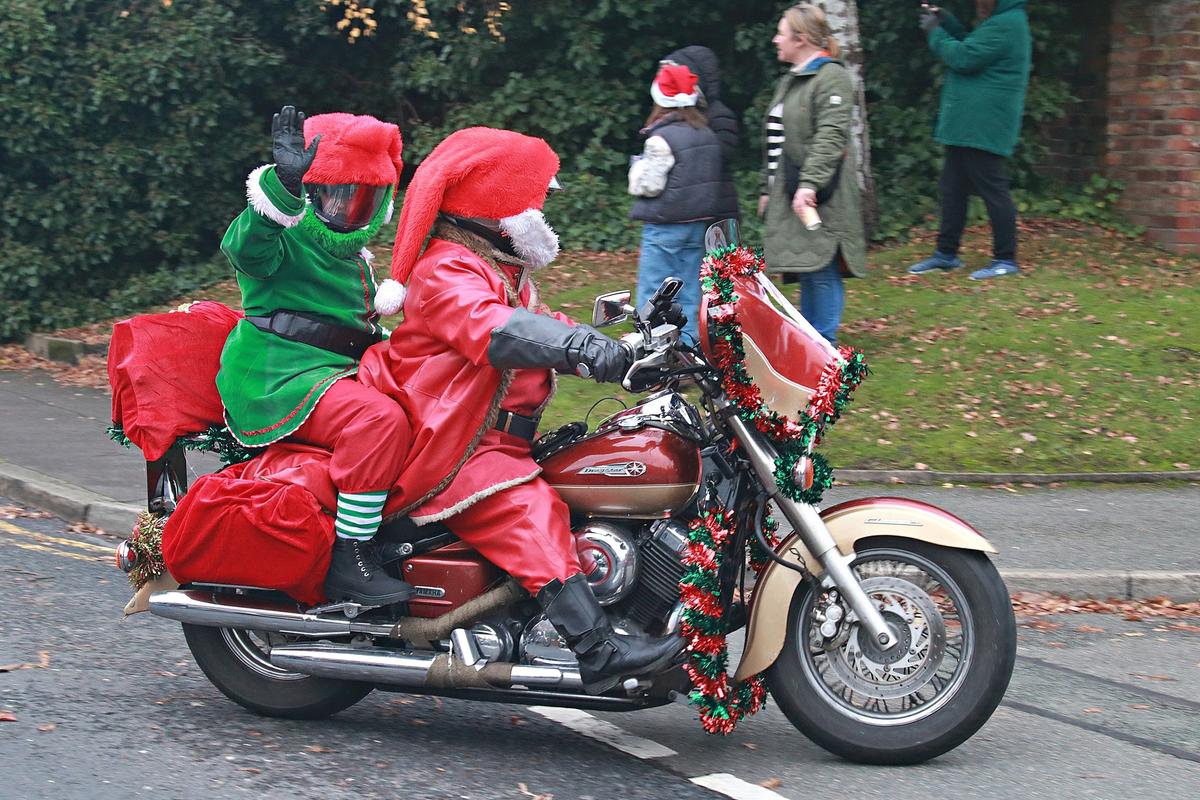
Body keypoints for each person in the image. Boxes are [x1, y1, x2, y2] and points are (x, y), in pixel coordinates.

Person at [360, 127, 682, 694]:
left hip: (491, 437)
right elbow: (494, 329)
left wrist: (626, 350)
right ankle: (596, 648)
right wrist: (584, 348)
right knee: (525, 507)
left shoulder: (496, 268)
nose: (544, 207)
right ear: (493, 204)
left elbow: (545, 328)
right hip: (452, 445)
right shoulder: (446, 270)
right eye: (534, 198)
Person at [216, 106, 415, 606]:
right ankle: (353, 555)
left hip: (335, 371)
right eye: (335, 195)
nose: (348, 212)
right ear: (310, 192)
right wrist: (280, 190)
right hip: (278, 374)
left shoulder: (357, 260)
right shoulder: (285, 236)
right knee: (379, 421)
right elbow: (245, 248)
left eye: (364, 200)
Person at [759, 4, 867, 347]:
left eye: (781, 33)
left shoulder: (831, 76)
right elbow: (777, 141)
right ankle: (813, 341)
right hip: (791, 190)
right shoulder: (793, 79)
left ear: (801, 39)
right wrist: (768, 188)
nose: (776, 39)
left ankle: (824, 343)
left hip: (822, 193)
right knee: (807, 266)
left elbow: (831, 136)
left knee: (822, 266)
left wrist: (809, 185)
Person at [908, 0, 1032, 280]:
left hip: (983, 125)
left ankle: (1005, 259)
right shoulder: (1001, 22)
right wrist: (946, 21)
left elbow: (963, 57)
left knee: (993, 190)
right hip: (969, 125)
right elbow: (972, 45)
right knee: (953, 189)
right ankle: (946, 254)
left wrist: (935, 33)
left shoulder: (1007, 24)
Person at [629, 63, 723, 342]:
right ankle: (688, 354)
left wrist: (636, 168)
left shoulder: (661, 139)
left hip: (664, 229)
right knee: (690, 294)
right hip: (696, 227)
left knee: (654, 294)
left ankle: (654, 357)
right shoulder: (706, 134)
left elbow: (647, 185)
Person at [659, 45, 740, 219]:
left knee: (724, 248)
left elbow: (715, 161)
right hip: (696, 209)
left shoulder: (719, 115)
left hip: (719, 209)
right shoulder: (681, 114)